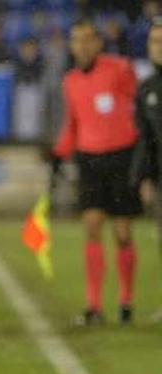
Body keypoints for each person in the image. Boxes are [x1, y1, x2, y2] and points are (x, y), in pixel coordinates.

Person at [47, 19, 141, 326]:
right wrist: (58, 156)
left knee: (123, 233)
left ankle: (126, 302)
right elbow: (72, 125)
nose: (82, 46)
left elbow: (137, 108)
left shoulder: (120, 69)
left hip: (121, 157)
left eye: (87, 40)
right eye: (76, 40)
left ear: (98, 43)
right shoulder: (70, 81)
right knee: (91, 227)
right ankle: (95, 306)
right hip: (89, 159)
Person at [132, 17, 162, 319]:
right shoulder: (146, 89)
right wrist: (144, 178)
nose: (159, 47)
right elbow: (146, 139)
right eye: (154, 41)